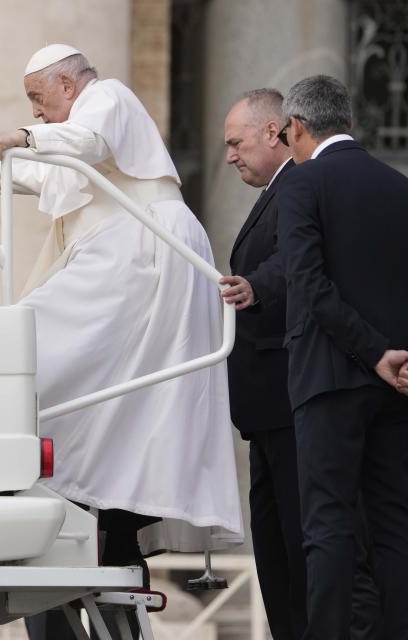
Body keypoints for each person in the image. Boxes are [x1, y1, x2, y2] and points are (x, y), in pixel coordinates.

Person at [0, 43, 243, 637]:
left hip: (142, 255)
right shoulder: (75, 121)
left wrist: (14, 137)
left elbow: (82, 147)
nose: (36, 112)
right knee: (108, 401)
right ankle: (86, 496)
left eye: (39, 98)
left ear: (68, 83)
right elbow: (56, 172)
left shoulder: (107, 97)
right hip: (126, 258)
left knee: (26, 343)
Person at [223, 88, 379, 640]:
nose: (229, 156)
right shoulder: (280, 188)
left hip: (295, 399)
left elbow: (296, 266)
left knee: (311, 549)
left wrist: (253, 288)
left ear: (276, 132)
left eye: (236, 142)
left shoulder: (304, 183)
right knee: (278, 556)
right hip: (268, 408)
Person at [277, 74, 408, 639]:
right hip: (397, 383)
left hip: (330, 381)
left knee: (327, 526)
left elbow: (307, 283)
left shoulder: (303, 185)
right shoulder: (397, 186)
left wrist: (373, 351)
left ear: (298, 128)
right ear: (348, 123)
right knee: (395, 524)